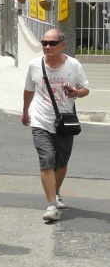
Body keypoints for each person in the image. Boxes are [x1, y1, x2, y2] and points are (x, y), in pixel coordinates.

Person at [21, 28, 89, 222]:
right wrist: (26, 111)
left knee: (62, 163)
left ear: (62, 45)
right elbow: (28, 90)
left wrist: (75, 92)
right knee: (47, 161)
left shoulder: (73, 65)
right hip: (40, 120)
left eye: (51, 43)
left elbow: (86, 88)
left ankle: (56, 191)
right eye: (44, 43)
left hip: (65, 122)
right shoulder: (34, 65)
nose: (47, 47)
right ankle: (51, 205)